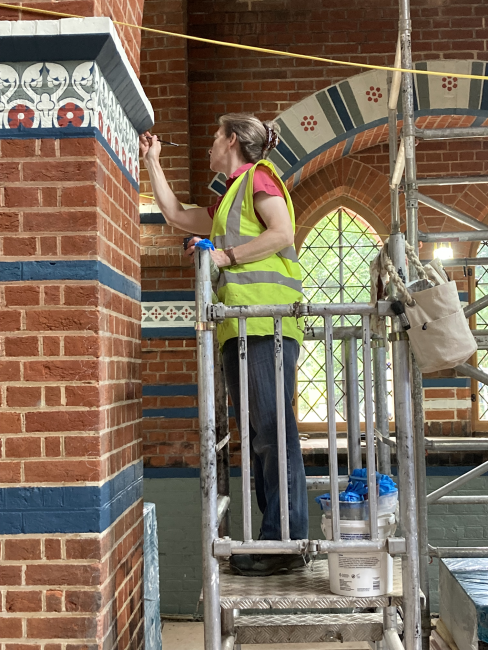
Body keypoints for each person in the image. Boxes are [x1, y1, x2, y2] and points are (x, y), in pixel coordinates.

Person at [140, 113, 309, 576]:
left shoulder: (260, 177)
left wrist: (225, 255)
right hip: (241, 326)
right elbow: (175, 214)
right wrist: (152, 161)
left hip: (266, 323)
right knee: (260, 439)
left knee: (273, 433)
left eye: (215, 136)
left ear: (231, 140)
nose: (211, 144)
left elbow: (281, 234)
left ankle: (286, 542)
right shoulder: (227, 200)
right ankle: (276, 541)